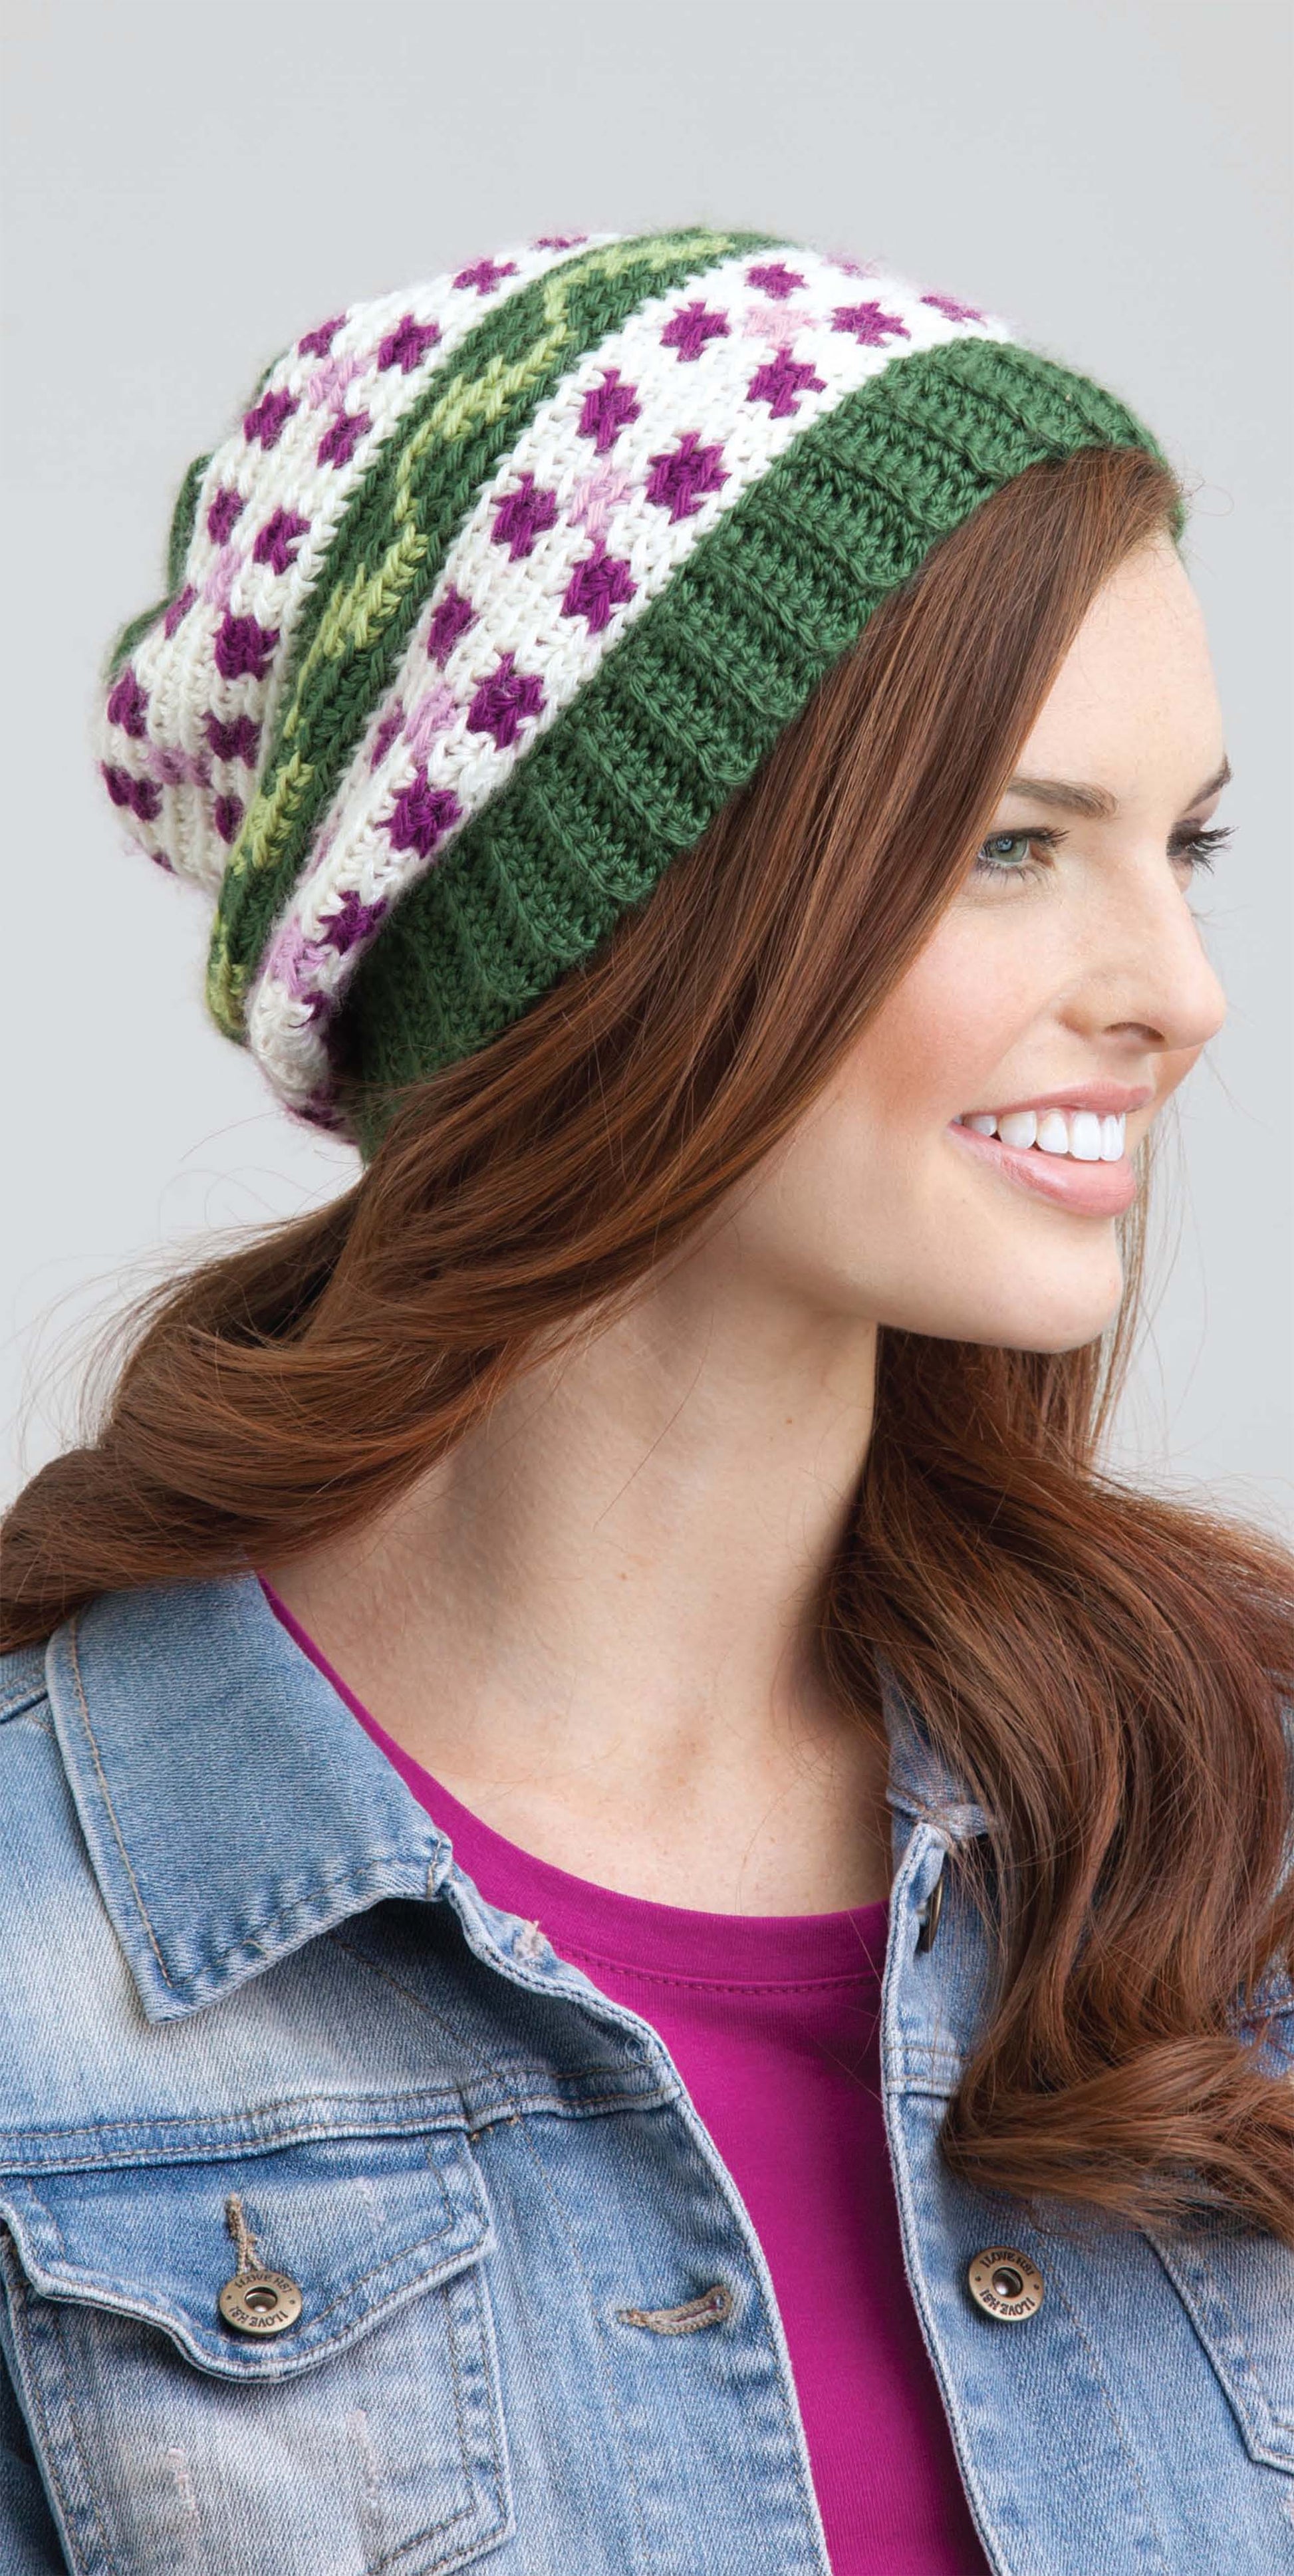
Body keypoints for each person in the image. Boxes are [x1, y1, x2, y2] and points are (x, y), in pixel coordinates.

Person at [1, 223, 1290, 2576]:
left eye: (1180, 842)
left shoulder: (1234, 1846)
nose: (1179, 988)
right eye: (1013, 847)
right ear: (608, 933)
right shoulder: (39, 1967)